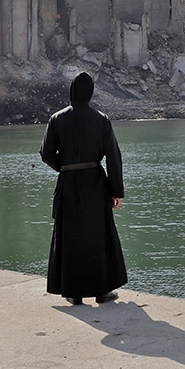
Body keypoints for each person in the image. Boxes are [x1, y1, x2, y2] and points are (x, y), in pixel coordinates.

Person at [40, 72, 127, 305]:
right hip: (95, 184)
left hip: (68, 184)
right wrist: (116, 191)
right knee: (98, 236)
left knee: (70, 237)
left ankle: (73, 292)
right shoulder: (101, 119)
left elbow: (46, 153)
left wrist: (65, 167)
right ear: (90, 93)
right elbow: (113, 157)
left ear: (71, 90)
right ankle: (102, 291)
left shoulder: (57, 119)